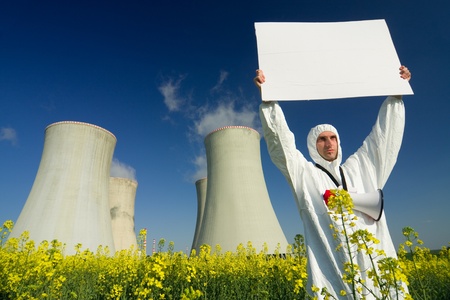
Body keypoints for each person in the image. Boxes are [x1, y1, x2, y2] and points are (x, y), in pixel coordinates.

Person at [254, 66, 411, 299]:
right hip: (332, 276)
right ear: (312, 145)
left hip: (376, 273)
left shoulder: (360, 166)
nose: (329, 143)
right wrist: (269, 102)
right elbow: (282, 145)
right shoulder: (304, 174)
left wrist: (395, 96)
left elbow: (383, 140)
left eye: (333, 138)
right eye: (322, 139)